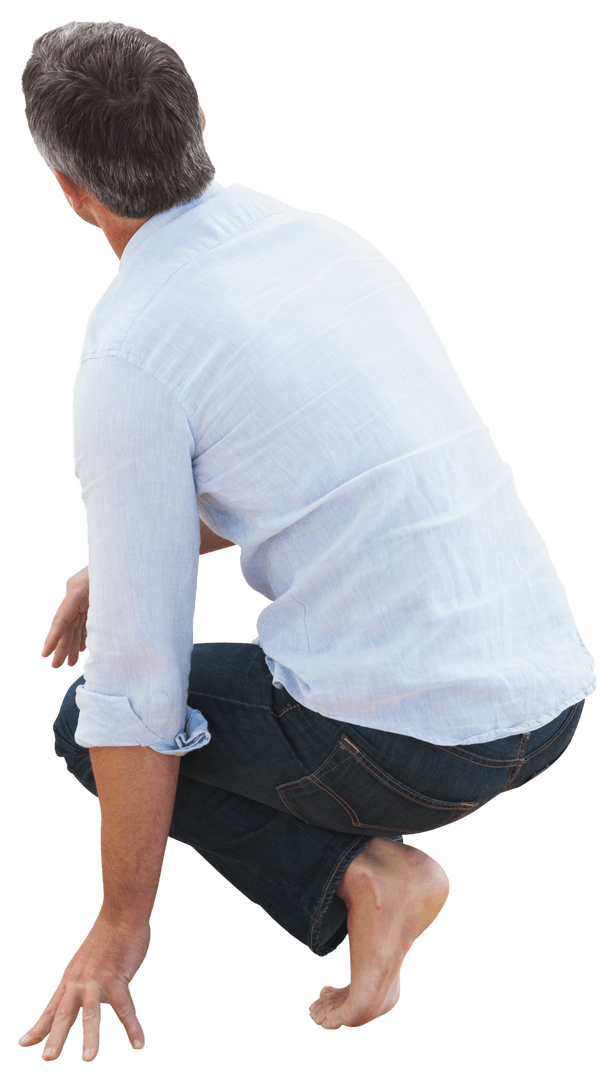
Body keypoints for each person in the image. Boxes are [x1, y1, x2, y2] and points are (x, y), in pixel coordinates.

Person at [18, 18, 596, 1060]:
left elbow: (136, 690)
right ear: (199, 123)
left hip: (412, 754)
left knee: (83, 730)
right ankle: (379, 862)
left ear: (69, 188)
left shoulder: (130, 351)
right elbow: (325, 470)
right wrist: (117, 559)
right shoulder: (321, 240)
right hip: (551, 700)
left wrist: (121, 924)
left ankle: (370, 877)